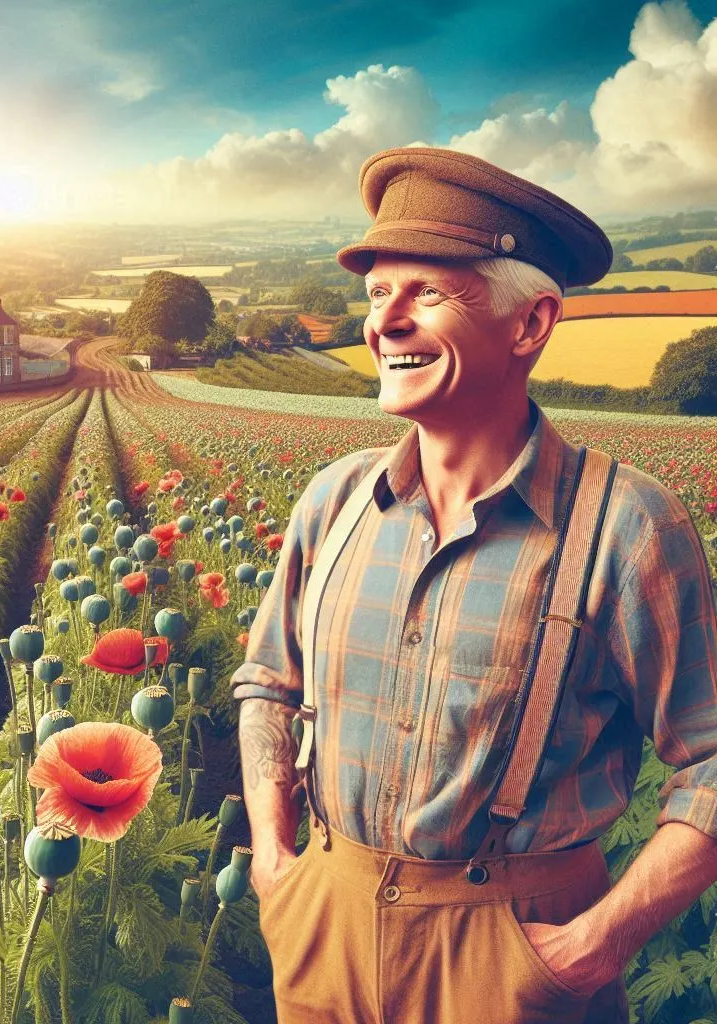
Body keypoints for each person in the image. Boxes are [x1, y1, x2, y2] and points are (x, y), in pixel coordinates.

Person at [231, 146, 717, 1024]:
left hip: (517, 958)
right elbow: (268, 682)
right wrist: (274, 862)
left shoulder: (629, 527)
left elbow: (714, 758)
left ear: (529, 324)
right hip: (321, 931)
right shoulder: (333, 500)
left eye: (428, 292)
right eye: (379, 292)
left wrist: (597, 943)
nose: (387, 322)